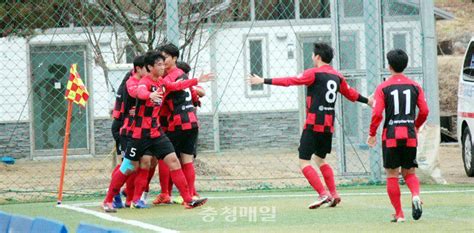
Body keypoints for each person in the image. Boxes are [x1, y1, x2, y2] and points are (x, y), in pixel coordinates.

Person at [248, 43, 372, 209]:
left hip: (313, 123)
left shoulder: (313, 73)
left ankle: (323, 194)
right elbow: (351, 94)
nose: (312, 58)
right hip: (328, 125)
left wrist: (264, 80)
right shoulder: (337, 76)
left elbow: (290, 81)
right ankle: (334, 194)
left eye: (313, 55)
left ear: (318, 57)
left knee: (304, 161)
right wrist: (368, 101)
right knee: (320, 159)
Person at [102, 51, 211, 212]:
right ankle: (108, 200)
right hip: (139, 134)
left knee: (174, 161)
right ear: (150, 67)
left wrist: (196, 80)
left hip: (156, 132)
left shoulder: (162, 82)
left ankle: (188, 200)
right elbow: (139, 92)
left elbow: (176, 86)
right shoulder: (143, 82)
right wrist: (149, 95)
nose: (162, 67)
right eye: (159, 64)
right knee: (127, 167)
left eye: (162, 63)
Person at [367, 49, 429, 222]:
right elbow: (424, 110)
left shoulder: (383, 87)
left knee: (392, 174)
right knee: (409, 172)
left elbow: (377, 113)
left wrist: (372, 133)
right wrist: (415, 125)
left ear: (389, 66)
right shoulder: (415, 86)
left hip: (391, 135)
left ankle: (399, 214)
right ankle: (415, 195)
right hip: (409, 134)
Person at [153, 44, 212, 205]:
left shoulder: (168, 78)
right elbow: (193, 95)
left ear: (174, 58)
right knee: (187, 159)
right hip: (192, 121)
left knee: (166, 158)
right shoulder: (183, 74)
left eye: (164, 58)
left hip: (176, 123)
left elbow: (165, 93)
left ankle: (166, 193)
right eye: (159, 58)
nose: (162, 61)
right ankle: (191, 194)